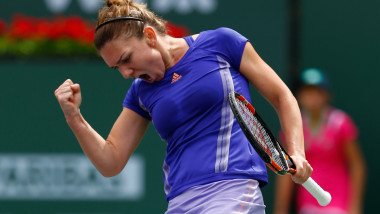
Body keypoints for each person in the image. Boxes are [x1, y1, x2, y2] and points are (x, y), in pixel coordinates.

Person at [54, 0, 312, 213]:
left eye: (127, 59)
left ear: (150, 36)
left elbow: (281, 96)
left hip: (232, 190)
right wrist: (74, 118)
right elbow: (111, 161)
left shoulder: (221, 44)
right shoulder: (140, 92)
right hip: (180, 201)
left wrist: (297, 152)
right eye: (117, 67)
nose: (125, 73)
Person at [273, 68, 367, 214]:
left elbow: (357, 166)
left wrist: (355, 207)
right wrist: (281, 209)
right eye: (307, 91)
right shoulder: (293, 128)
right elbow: (287, 173)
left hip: (338, 205)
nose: (312, 96)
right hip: (307, 205)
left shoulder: (341, 123)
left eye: (318, 91)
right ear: (299, 96)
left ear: (327, 95)